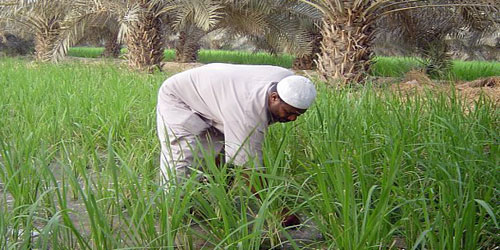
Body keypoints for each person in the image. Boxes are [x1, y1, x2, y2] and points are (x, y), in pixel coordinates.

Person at [156, 63, 316, 226]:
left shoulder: (290, 83)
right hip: (181, 100)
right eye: (288, 112)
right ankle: (171, 215)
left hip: (220, 100)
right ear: (274, 97)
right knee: (184, 159)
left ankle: (212, 200)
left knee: (220, 153)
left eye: (298, 114)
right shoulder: (248, 112)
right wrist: (276, 208)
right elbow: (248, 169)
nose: (292, 119)